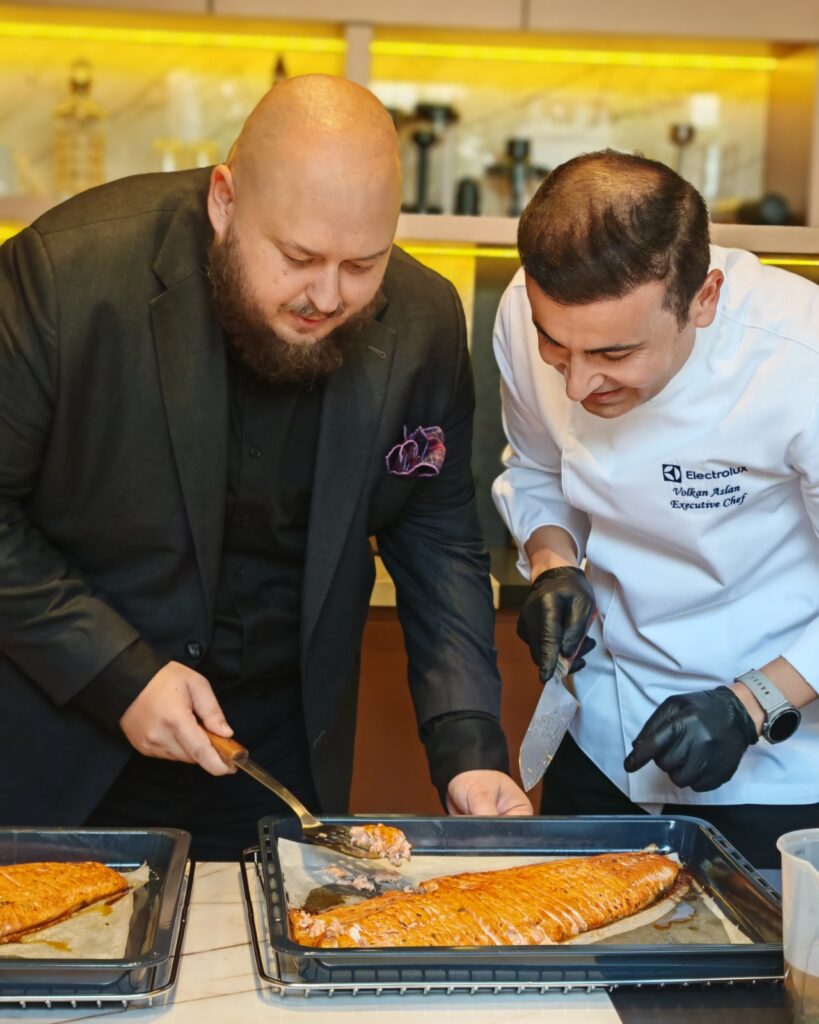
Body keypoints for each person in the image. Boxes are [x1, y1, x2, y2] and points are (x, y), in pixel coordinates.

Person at [0, 75, 531, 859]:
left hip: (275, 759)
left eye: (363, 264)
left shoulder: (422, 318)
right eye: (297, 257)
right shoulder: (66, 272)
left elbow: (434, 534)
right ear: (224, 200)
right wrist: (117, 673)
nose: (328, 296)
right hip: (67, 738)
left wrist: (468, 743)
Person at [492, 149, 819, 868]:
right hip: (602, 736)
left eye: (615, 354)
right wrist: (552, 565)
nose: (577, 385)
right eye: (556, 347)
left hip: (777, 760)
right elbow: (539, 468)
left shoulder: (801, 359)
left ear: (703, 299)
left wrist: (750, 703)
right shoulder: (524, 307)